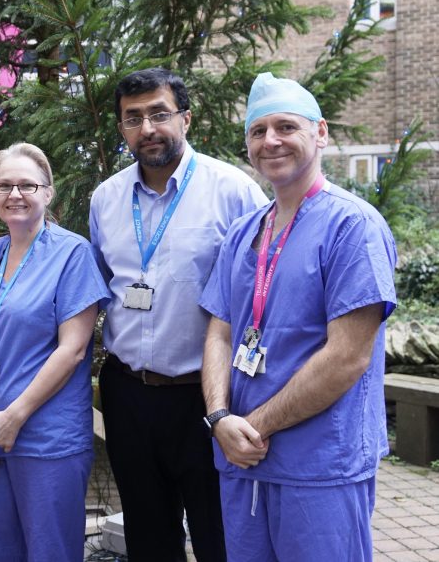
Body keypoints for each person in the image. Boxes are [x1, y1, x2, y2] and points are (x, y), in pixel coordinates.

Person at [199, 73, 397, 561]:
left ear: (321, 133)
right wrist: (220, 418)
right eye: (257, 130)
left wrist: (255, 426)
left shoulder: (353, 227)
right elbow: (220, 334)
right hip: (243, 461)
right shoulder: (244, 232)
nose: (271, 140)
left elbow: (348, 357)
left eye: (286, 126)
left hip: (318, 465)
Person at [89, 68, 267, 561]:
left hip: (206, 399)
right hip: (128, 394)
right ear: (122, 128)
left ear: (185, 119)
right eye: (133, 118)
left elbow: (261, 296)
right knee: (149, 538)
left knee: (220, 535)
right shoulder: (105, 200)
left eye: (159, 114)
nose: (148, 128)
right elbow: (105, 287)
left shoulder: (233, 192)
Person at [0, 143, 109, 561]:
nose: (15, 194)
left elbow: (73, 349)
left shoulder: (73, 254)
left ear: (48, 193)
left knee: (49, 552)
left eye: (27, 184)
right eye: (3, 185)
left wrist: (15, 416)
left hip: (46, 440)